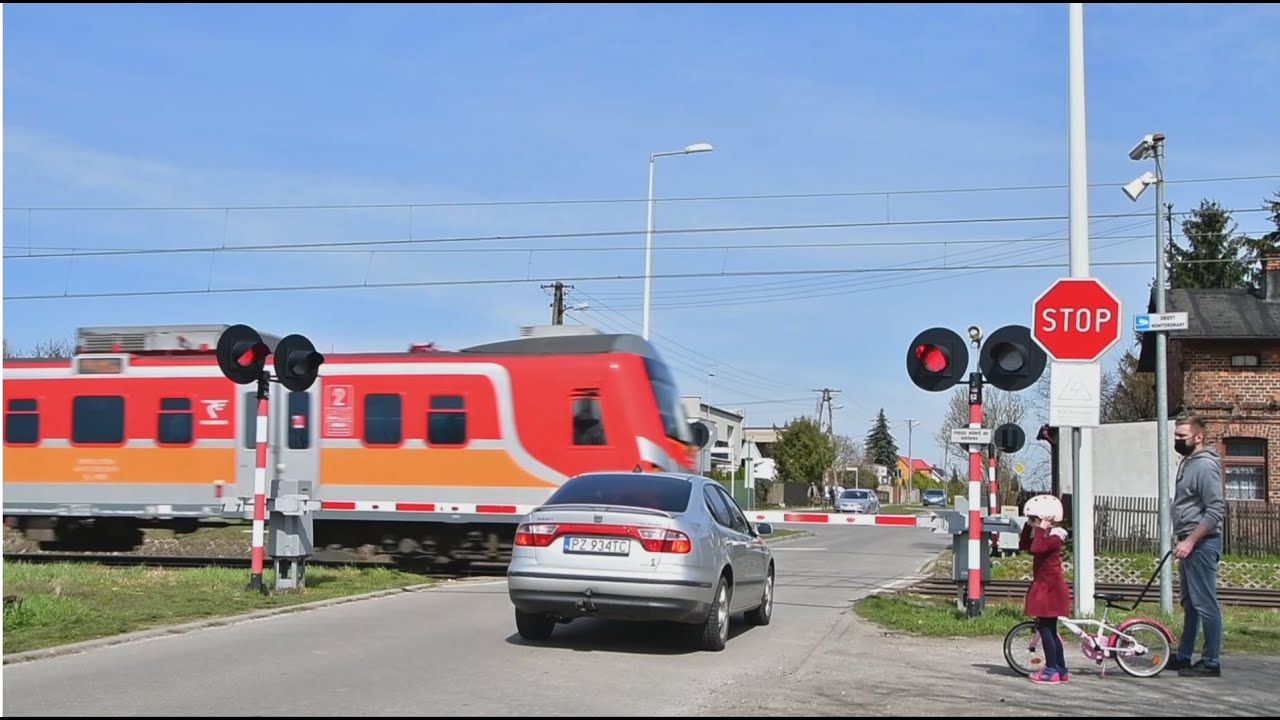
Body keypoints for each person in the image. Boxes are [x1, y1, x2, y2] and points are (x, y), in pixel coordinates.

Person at [1169, 415, 1226, 678]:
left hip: (1201, 544)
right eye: (1176, 436)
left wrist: (1191, 541)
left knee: (1205, 603)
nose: (1177, 440)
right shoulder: (1188, 462)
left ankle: (1211, 660)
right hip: (1189, 542)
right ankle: (1184, 655)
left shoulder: (1204, 467)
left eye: (1182, 436)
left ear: (1198, 437)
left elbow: (1215, 510)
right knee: (1190, 604)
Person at [1020, 493, 1071, 684]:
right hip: (1047, 588)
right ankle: (1061, 668)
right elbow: (1026, 545)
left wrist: (1040, 529)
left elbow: (1037, 549)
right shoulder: (1046, 535)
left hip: (1050, 590)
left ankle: (1051, 670)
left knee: (1046, 630)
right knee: (1050, 629)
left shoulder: (1055, 538)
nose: (1033, 523)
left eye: (1035, 519)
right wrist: (1029, 525)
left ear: (1047, 518)